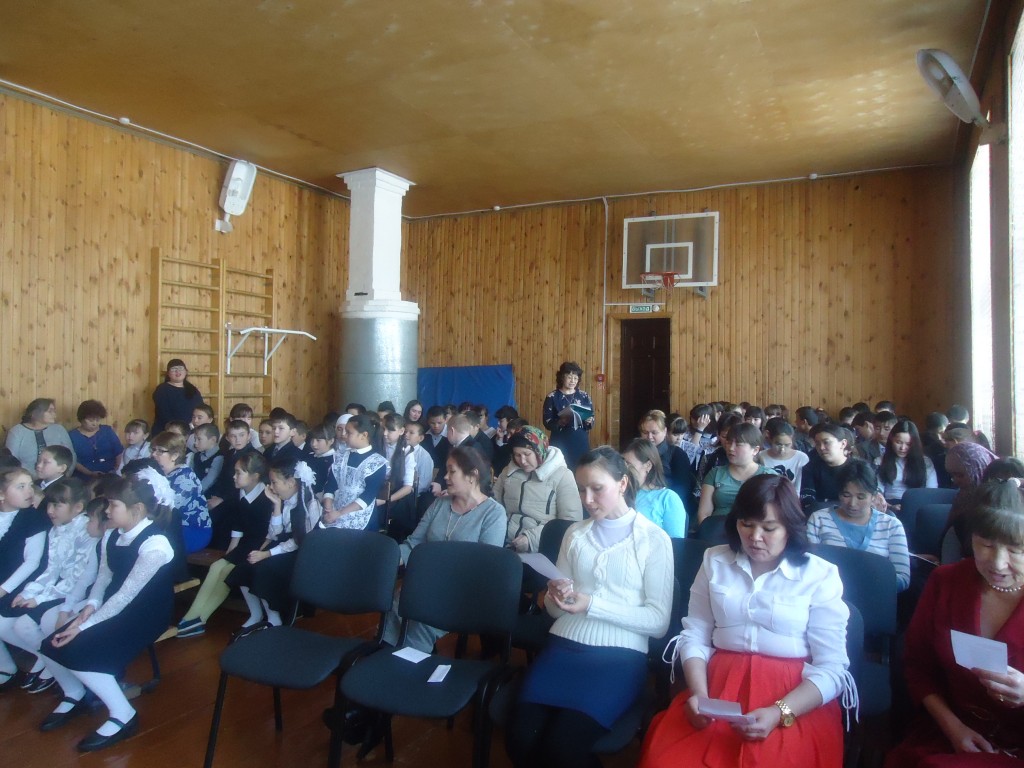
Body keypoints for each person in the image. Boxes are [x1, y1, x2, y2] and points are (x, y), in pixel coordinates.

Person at [639, 474, 855, 768]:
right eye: (746, 524)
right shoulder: (714, 560)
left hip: (793, 693)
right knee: (667, 760)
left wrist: (779, 712)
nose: (755, 537)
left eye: (769, 528)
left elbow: (832, 667)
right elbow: (695, 634)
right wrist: (700, 696)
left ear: (790, 527)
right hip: (719, 682)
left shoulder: (819, 575)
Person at [506, 446, 674, 768]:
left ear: (622, 483)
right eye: (582, 489)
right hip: (564, 647)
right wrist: (555, 598)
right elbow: (557, 610)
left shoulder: (653, 539)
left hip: (619, 657)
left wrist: (592, 604)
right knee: (520, 740)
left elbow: (658, 622)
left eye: (597, 489)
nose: (587, 499)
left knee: (562, 749)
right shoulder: (575, 533)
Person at [36, 469, 176, 752]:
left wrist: (83, 625)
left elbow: (127, 595)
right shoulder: (112, 534)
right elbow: (104, 577)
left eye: (113, 505)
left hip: (145, 613)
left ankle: (124, 715)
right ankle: (75, 694)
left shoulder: (156, 545)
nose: (107, 510)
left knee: (80, 650)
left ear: (137, 509)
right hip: (115, 605)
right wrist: (90, 606)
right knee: (50, 645)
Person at [886, 479, 1024, 765]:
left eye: (1015, 551)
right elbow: (917, 667)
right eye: (986, 545)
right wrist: (953, 728)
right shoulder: (947, 581)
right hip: (950, 730)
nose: (998, 563)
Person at [382, 446, 506, 652]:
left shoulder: (493, 513)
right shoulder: (440, 504)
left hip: (462, 589)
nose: (445, 477)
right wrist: (389, 560)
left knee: (420, 615)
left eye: (452, 471)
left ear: (472, 475)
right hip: (426, 582)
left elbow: (484, 567)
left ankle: (410, 660)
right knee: (395, 604)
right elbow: (414, 543)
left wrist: (434, 580)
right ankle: (390, 653)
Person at [0, 478, 95, 693]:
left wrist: (39, 598)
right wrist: (29, 592)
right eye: (49, 504)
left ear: (78, 507)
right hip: (56, 589)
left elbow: (77, 578)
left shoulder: (85, 531)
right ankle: (47, 661)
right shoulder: (56, 529)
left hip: (77, 593)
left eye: (57, 505)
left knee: (23, 625)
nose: (50, 511)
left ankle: (54, 664)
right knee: (14, 622)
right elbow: (50, 570)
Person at [175, 453, 273, 637]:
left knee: (226, 571)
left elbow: (269, 532)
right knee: (217, 566)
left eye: (239, 473)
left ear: (255, 476)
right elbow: (238, 526)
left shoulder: (266, 497)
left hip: (261, 546)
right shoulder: (240, 494)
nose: (234, 476)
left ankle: (199, 618)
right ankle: (193, 616)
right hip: (246, 544)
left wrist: (255, 552)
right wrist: (231, 551)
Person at [226, 457, 320, 634]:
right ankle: (256, 614)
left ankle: (274, 618)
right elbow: (275, 532)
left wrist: (267, 554)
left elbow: (297, 541)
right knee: (244, 567)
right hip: (281, 547)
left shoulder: (310, 505)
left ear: (291, 483)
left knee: (264, 570)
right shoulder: (283, 500)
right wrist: (276, 505)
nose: (271, 487)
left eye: (274, 482)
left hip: (299, 554)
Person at [806, 459, 911, 591]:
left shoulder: (892, 526)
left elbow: (903, 578)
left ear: (873, 496)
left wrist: (865, 583)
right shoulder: (819, 519)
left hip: (875, 595)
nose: (852, 503)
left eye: (861, 497)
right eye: (846, 495)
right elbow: (809, 568)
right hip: (827, 593)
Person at [494, 426, 582, 553]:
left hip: (542, 547)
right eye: (517, 455)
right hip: (503, 541)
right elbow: (494, 506)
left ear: (539, 451)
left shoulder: (563, 475)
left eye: (527, 454)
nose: (522, 461)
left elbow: (570, 521)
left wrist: (532, 539)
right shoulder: (508, 472)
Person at [0, 467, 49, 687]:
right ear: (1, 494)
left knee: (1, 624)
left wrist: (3, 589)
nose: (29, 491)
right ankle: (6, 667)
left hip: (25, 584)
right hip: (4, 581)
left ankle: (47, 656)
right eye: (21, 487)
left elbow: (32, 563)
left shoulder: (33, 518)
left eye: (30, 485)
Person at [697, 423, 775, 523]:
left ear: (755, 450)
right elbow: (704, 514)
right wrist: (706, 530)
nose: (731, 448)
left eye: (738, 444)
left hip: (754, 528)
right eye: (729, 442)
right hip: (718, 527)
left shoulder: (769, 476)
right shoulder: (715, 473)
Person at [321, 413, 388, 531]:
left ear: (364, 435)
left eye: (349, 432)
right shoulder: (340, 457)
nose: (344, 435)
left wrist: (339, 513)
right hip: (335, 509)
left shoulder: (377, 462)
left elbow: (368, 496)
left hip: (360, 512)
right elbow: (331, 484)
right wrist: (328, 506)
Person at [150, 431, 211, 554]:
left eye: (160, 451)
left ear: (175, 455)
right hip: (170, 526)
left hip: (191, 530)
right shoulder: (160, 473)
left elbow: (167, 510)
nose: (154, 454)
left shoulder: (184, 477)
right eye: (153, 450)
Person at [622, 438, 687, 538]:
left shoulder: (667, 498)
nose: (624, 470)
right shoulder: (619, 493)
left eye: (629, 465)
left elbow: (676, 544)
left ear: (648, 466)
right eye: (622, 464)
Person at [640, 409, 699, 517]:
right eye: (645, 432)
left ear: (665, 431)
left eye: (654, 432)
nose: (649, 437)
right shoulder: (636, 454)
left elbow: (682, 490)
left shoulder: (677, 454)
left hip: (669, 507)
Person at [946, 441, 999, 558]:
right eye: (952, 475)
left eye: (960, 475)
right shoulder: (961, 500)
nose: (955, 481)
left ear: (978, 469)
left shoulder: (997, 502)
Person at [542, 361, 595, 470]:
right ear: (562, 377)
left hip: (580, 440)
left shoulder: (584, 396)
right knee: (560, 470)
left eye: (575, 378)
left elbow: (591, 417)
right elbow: (547, 422)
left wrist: (589, 420)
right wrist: (560, 422)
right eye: (569, 377)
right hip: (560, 440)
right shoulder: (552, 397)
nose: (573, 381)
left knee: (581, 468)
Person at [5, 399, 77, 476]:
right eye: (50, 411)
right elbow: (10, 459)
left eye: (54, 411)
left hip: (55, 479)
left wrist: (66, 476)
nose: (54, 415)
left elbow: (71, 455)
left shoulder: (59, 430)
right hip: (25, 478)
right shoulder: (17, 431)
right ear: (35, 413)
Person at [875, 418, 937, 504]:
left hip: (917, 503)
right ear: (891, 440)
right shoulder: (880, 461)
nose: (903, 448)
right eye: (898, 442)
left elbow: (931, 490)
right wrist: (888, 506)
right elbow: (877, 490)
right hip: (889, 503)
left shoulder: (925, 462)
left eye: (908, 444)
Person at [68, 400, 123, 478]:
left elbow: (118, 452)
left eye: (97, 420)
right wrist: (90, 473)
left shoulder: (107, 431)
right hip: (83, 477)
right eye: (90, 420)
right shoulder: (72, 436)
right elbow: (74, 461)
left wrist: (115, 469)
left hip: (109, 475)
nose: (94, 423)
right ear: (81, 418)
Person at [151, 359, 205, 435]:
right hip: (168, 432)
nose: (177, 371)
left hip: (191, 430)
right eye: (173, 369)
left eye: (181, 368)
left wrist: (193, 425)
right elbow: (164, 414)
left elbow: (201, 408)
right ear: (168, 373)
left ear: (186, 372)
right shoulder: (162, 389)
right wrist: (180, 429)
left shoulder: (193, 389)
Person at [760, 418, 809, 494]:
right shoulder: (761, 456)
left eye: (787, 445)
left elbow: (799, 488)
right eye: (778, 444)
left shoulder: (801, 458)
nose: (782, 449)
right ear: (770, 440)